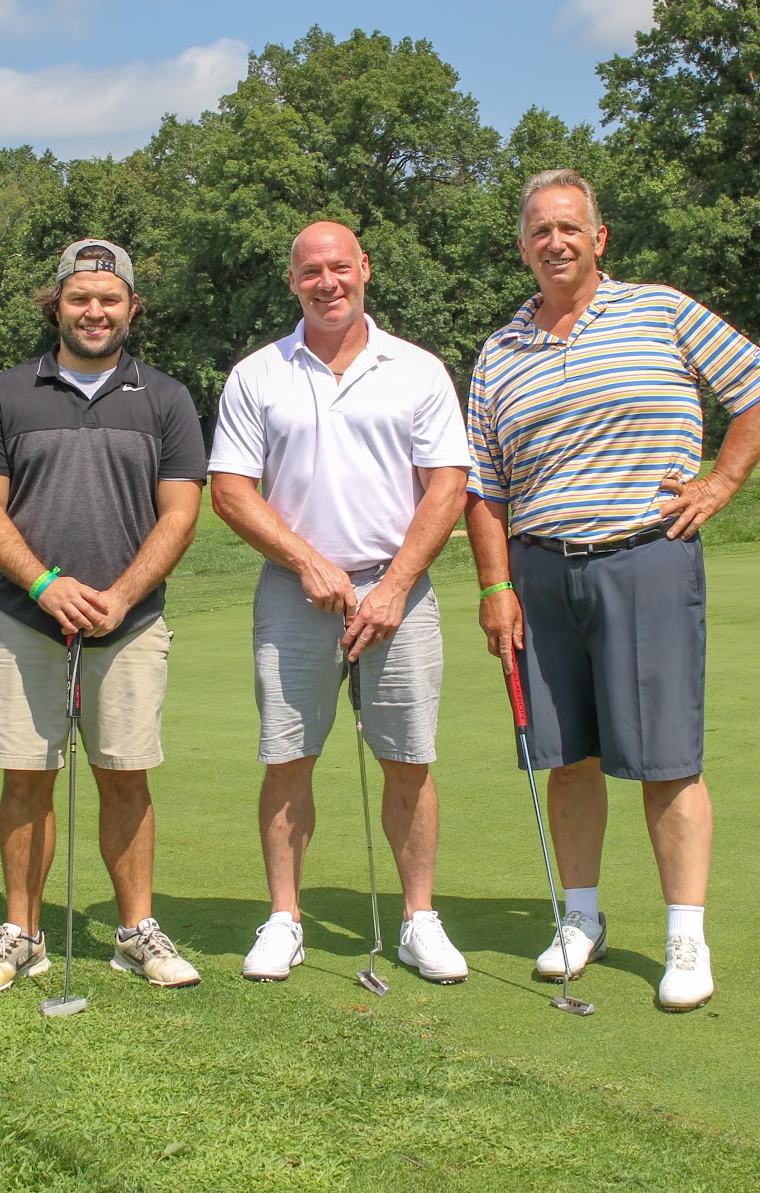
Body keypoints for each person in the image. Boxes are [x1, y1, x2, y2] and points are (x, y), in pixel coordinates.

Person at [463, 169, 760, 1012]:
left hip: (646, 556)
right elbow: (484, 487)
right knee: (568, 757)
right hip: (540, 570)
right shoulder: (499, 352)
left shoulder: (660, 311)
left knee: (666, 757)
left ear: (598, 238)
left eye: (570, 227)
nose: (556, 242)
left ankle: (686, 935)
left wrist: (721, 482)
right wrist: (495, 585)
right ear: (523, 245)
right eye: (541, 230)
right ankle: (581, 917)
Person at [209, 221, 472, 984]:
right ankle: (284, 918)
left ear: (365, 269)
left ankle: (419, 919)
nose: (327, 282)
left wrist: (393, 586)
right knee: (287, 756)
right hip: (296, 590)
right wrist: (309, 562)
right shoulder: (259, 373)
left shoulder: (417, 369)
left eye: (339, 267)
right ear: (293, 282)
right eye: (310, 272)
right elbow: (231, 491)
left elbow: (447, 486)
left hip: (400, 589)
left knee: (409, 758)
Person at [0, 238, 207, 992]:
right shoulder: (6, 394)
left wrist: (121, 595)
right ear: (56, 305)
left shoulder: (166, 398)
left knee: (125, 776)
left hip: (129, 624)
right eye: (79, 298)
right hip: (27, 619)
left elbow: (180, 513)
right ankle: (22, 935)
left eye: (109, 299)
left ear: (132, 308)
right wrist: (45, 586)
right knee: (26, 777)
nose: (94, 311)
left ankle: (135, 932)